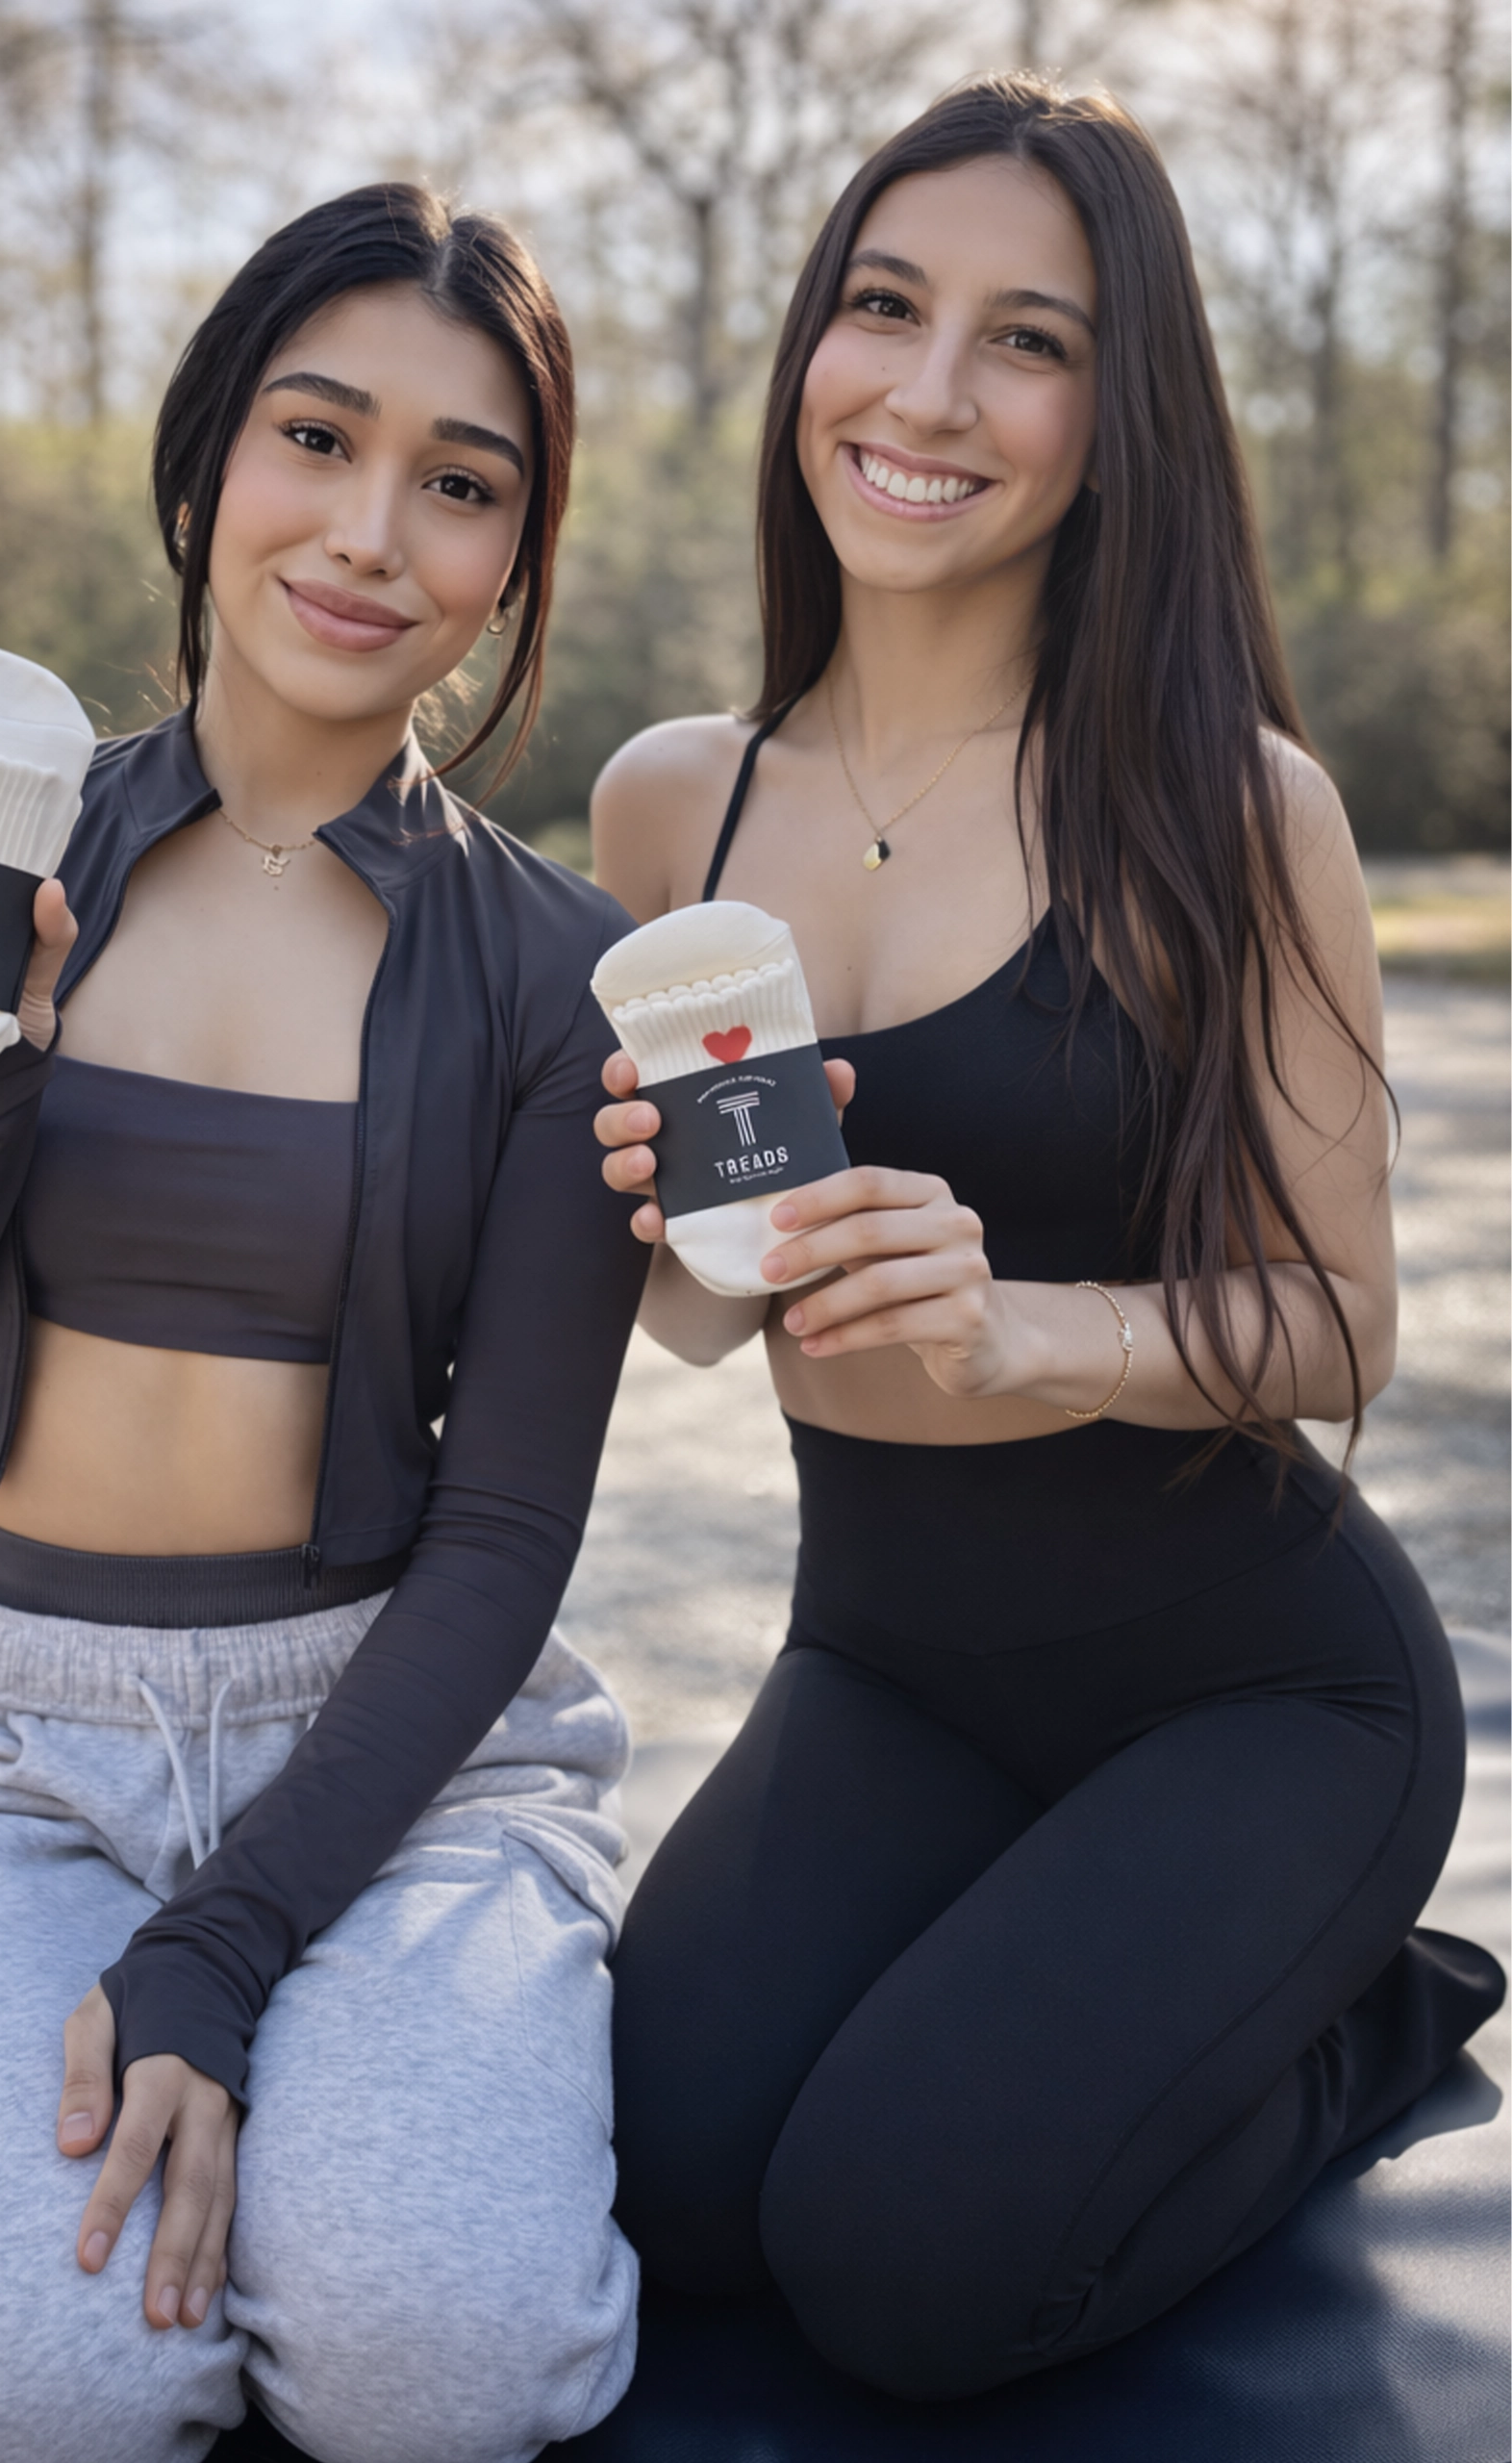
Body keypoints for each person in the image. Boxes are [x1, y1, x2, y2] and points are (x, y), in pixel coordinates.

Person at [0, 184, 646, 2463]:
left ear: (513, 556)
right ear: (206, 465)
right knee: (19, 2392)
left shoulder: (551, 970)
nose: (373, 532)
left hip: (393, 1757)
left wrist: (226, 1940)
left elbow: (499, 1540)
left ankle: (314, 2079)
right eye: (317, 436)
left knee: (442, 2363)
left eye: (463, 481)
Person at [591, 76, 1503, 2403]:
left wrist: (1032, 1330)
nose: (923, 393)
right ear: (808, 342)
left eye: (1028, 339)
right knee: (665, 2188)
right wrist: (651, 1229)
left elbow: (1338, 1320)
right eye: (884, 308)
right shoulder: (674, 799)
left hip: (1257, 1688)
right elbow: (706, 1308)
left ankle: (1351, 2018)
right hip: (891, 1665)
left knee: (900, 2269)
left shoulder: (1224, 809)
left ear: (1121, 419)